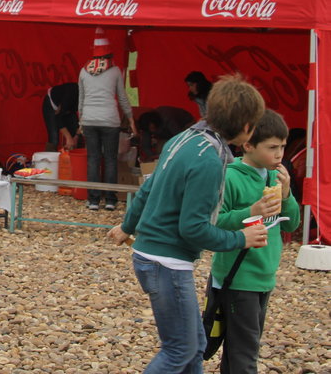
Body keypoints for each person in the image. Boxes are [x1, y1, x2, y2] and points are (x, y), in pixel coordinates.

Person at [107, 74, 269, 373]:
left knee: (194, 347)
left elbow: (147, 188)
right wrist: (241, 239)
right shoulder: (209, 160)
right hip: (166, 264)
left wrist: (128, 226)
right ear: (246, 126)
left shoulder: (182, 138)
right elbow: (193, 229)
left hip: (153, 258)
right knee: (179, 349)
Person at [211, 109, 300, 373]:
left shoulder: (275, 176)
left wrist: (286, 195)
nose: (279, 154)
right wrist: (251, 211)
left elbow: (292, 224)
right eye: (272, 147)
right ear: (248, 145)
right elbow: (214, 223)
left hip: (264, 275)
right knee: (244, 351)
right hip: (238, 277)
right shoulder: (230, 176)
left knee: (241, 347)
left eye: (282, 147)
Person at [78, 28, 137, 210]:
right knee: (110, 159)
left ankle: (93, 200)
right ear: (108, 54)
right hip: (110, 120)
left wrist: (81, 121)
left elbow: (81, 100)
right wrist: (131, 119)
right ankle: (110, 200)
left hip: (89, 120)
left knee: (93, 159)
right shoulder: (115, 70)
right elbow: (122, 98)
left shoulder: (83, 71)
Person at [42, 82, 79, 151]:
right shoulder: (71, 93)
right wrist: (68, 137)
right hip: (51, 104)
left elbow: (82, 120)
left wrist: (76, 136)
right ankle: (50, 156)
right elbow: (58, 117)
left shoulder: (89, 101)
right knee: (54, 137)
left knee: (75, 135)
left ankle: (74, 155)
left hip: (69, 108)